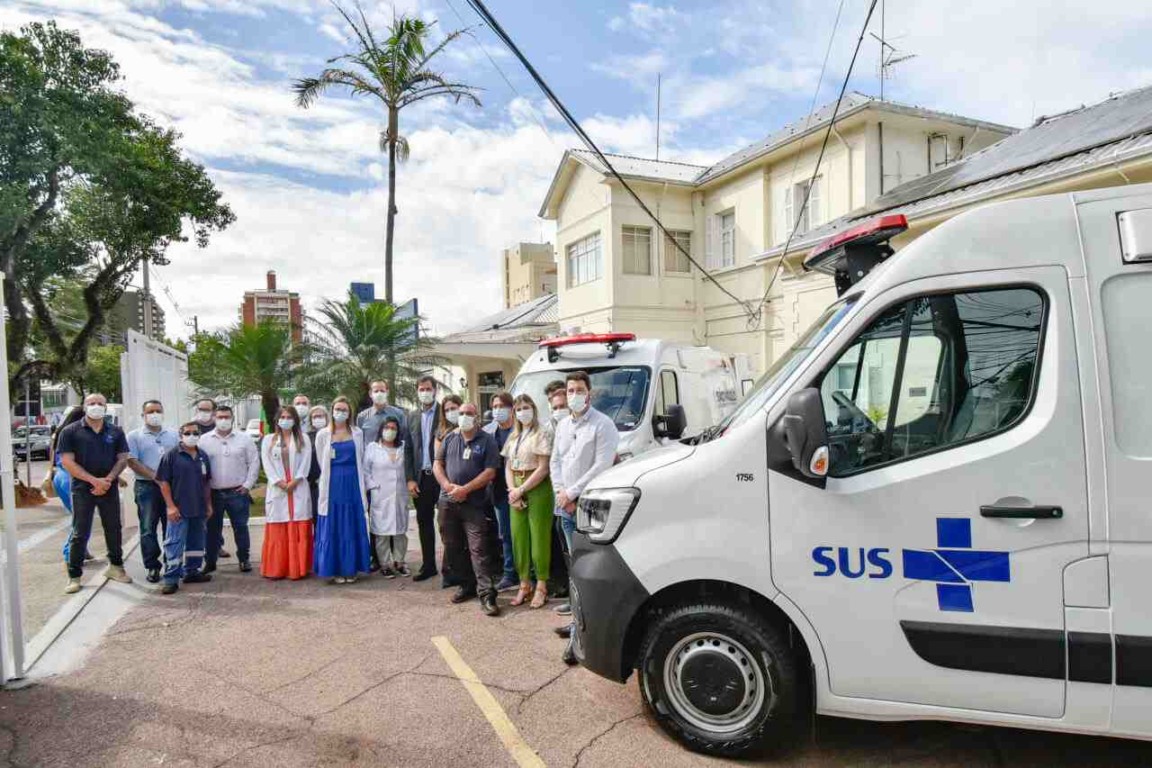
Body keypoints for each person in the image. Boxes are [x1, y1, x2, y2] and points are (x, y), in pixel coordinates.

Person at [550, 371, 620, 663]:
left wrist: (573, 493)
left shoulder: (603, 425)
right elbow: (556, 461)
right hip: (565, 507)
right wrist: (560, 492)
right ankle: (577, 624)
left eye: (579, 389)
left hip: (589, 507)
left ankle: (581, 639)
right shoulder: (563, 425)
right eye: (570, 390)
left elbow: (602, 465)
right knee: (574, 571)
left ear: (589, 393)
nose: (574, 395)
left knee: (588, 571)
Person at [58, 393, 133, 594]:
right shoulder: (70, 431)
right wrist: (94, 481)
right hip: (82, 489)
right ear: (84, 406)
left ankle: (116, 567)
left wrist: (108, 480)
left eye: (100, 403)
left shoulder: (115, 432)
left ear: (106, 407)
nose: (96, 406)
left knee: (114, 527)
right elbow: (67, 462)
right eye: (92, 403)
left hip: (108, 487)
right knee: (80, 531)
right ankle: (74, 576)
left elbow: (123, 458)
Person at [433, 401, 501, 616]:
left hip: (474, 504)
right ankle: (466, 584)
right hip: (448, 501)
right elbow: (437, 463)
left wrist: (466, 489)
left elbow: (491, 471)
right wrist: (446, 485)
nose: (463, 416)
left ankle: (487, 594)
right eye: (461, 413)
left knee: (478, 549)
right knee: (452, 546)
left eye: (468, 413)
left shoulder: (487, 440)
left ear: (477, 416)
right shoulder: (450, 437)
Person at [503, 394, 555, 608]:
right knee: (519, 539)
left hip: (537, 488)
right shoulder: (514, 436)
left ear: (533, 409)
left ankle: (541, 585)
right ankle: (524, 584)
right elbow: (507, 465)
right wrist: (513, 490)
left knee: (539, 538)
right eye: (519, 409)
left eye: (526, 407)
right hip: (516, 488)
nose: (523, 411)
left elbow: (543, 468)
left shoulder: (541, 432)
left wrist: (522, 488)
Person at [314, 396, 371, 583]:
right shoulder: (323, 434)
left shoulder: (357, 433)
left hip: (353, 483)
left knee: (351, 523)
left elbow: (361, 458)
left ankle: (351, 568)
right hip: (332, 485)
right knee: (334, 524)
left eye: (344, 410)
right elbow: (321, 461)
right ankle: (336, 569)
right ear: (332, 411)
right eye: (337, 409)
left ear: (349, 413)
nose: (340, 413)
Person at [199, 405, 259, 574]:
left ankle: (244, 559)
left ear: (232, 418)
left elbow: (254, 462)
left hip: (237, 493)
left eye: (226, 417)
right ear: (214, 418)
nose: (223, 420)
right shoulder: (203, 440)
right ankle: (210, 561)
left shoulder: (244, 439)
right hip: (213, 493)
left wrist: (248, 485)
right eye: (220, 417)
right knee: (211, 530)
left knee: (241, 527)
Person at [156, 422, 214, 595]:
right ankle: (171, 579)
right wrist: (170, 506)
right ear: (180, 435)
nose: (191, 436)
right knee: (174, 543)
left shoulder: (203, 455)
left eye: (195, 433)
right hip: (179, 509)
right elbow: (163, 482)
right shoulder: (172, 455)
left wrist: (209, 505)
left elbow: (206, 483)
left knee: (196, 543)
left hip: (199, 508)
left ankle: (192, 572)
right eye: (187, 433)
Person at [126, 400, 180, 583]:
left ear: (163, 413)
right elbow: (132, 461)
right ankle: (152, 566)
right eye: (150, 411)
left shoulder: (173, 435)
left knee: (171, 527)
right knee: (148, 528)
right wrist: (156, 477)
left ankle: (171, 564)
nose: (154, 414)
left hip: (170, 487)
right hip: (146, 488)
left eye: (158, 411)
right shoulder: (134, 436)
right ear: (143, 415)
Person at [260, 406, 314, 580]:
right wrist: (280, 482)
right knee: (279, 523)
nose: (285, 420)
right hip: (278, 488)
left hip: (298, 486)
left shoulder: (303, 438)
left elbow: (306, 462)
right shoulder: (268, 440)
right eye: (282, 416)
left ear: (295, 420)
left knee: (298, 523)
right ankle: (277, 568)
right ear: (277, 420)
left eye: (289, 417)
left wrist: (295, 481)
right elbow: (266, 464)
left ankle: (298, 568)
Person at [404, 376, 442, 582]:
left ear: (435, 390)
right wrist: (409, 478)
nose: (425, 392)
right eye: (421, 389)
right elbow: (408, 449)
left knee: (447, 523)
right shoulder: (411, 416)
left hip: (442, 477)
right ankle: (428, 566)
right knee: (424, 522)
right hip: (421, 478)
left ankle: (453, 566)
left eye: (428, 388)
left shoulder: (445, 412)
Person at [365, 416, 410, 578]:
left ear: (398, 431)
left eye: (393, 428)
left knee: (400, 532)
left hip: (400, 496)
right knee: (382, 533)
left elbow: (409, 468)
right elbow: (366, 471)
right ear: (381, 430)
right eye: (387, 427)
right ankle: (385, 564)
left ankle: (399, 562)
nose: (390, 431)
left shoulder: (403, 447)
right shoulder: (372, 448)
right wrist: (373, 487)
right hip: (380, 495)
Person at [483, 391, 519, 592]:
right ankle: (509, 573)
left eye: (502, 406)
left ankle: (527, 574)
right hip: (498, 490)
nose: (498, 410)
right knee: (505, 533)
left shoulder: (520, 430)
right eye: (495, 406)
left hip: (520, 488)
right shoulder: (489, 432)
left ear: (511, 408)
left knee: (521, 534)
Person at [52, 407, 94, 564]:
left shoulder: (61, 433)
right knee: (82, 519)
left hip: (60, 477)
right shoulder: (77, 436)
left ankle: (82, 550)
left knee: (78, 518)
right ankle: (70, 553)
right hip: (71, 479)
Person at [191, 398, 231, 560]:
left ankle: (217, 546)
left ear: (214, 412)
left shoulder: (220, 426)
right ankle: (201, 548)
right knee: (201, 517)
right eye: (201, 409)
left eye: (208, 409)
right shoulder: (192, 427)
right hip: (199, 481)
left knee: (215, 518)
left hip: (217, 481)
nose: (204, 412)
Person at [544, 381, 571, 604]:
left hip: (576, 496)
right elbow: (553, 463)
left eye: (563, 405)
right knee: (560, 537)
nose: (559, 410)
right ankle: (566, 586)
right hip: (558, 495)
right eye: (555, 407)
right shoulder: (549, 427)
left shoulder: (585, 426)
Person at [435, 394, 463, 587]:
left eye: (454, 408)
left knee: (464, 534)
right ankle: (449, 572)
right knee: (449, 534)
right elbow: (438, 462)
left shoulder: (469, 429)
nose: (451, 412)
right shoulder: (441, 433)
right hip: (447, 489)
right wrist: (447, 485)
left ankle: (464, 573)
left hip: (466, 488)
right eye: (447, 409)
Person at [356, 380, 408, 450]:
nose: (379, 394)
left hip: (393, 458)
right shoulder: (362, 417)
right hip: (369, 459)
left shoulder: (399, 414)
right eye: (376, 391)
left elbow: (404, 438)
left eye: (382, 391)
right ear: (370, 394)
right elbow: (359, 442)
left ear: (387, 392)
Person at [306, 405, 328, 529]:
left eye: (321, 416)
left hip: (331, 483)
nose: (318, 418)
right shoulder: (306, 437)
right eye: (315, 416)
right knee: (316, 516)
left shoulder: (333, 435)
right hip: (314, 485)